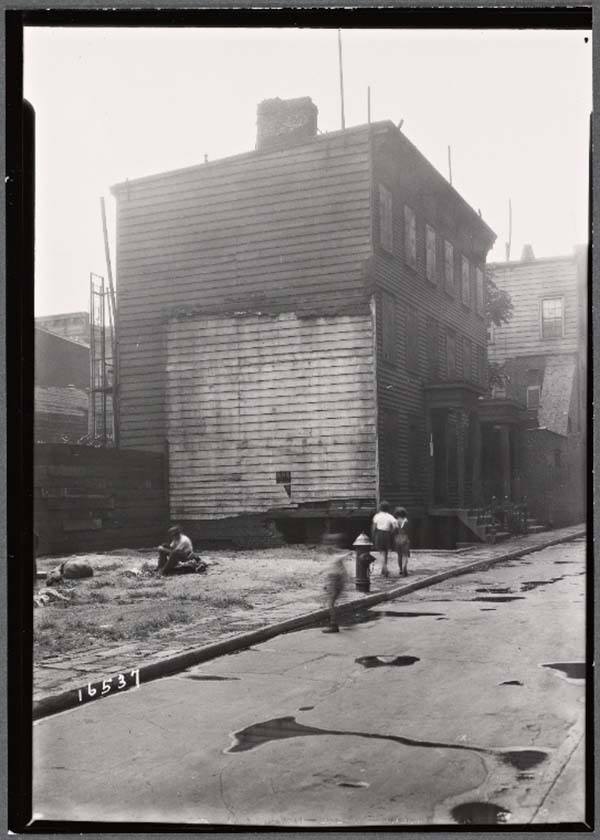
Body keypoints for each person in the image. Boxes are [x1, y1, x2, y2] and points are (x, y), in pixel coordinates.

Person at [371, 501, 398, 577]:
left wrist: (373, 537)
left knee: (382, 552)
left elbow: (374, 528)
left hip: (379, 534)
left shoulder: (377, 516)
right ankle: (384, 569)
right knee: (385, 552)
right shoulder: (389, 516)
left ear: (380, 508)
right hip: (387, 534)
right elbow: (395, 526)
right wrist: (391, 532)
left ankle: (384, 569)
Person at [394, 507, 411, 577]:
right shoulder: (406, 521)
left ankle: (400, 569)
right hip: (405, 538)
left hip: (397, 539)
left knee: (399, 555)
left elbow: (394, 531)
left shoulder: (395, 521)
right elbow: (409, 531)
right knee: (405, 555)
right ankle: (404, 567)